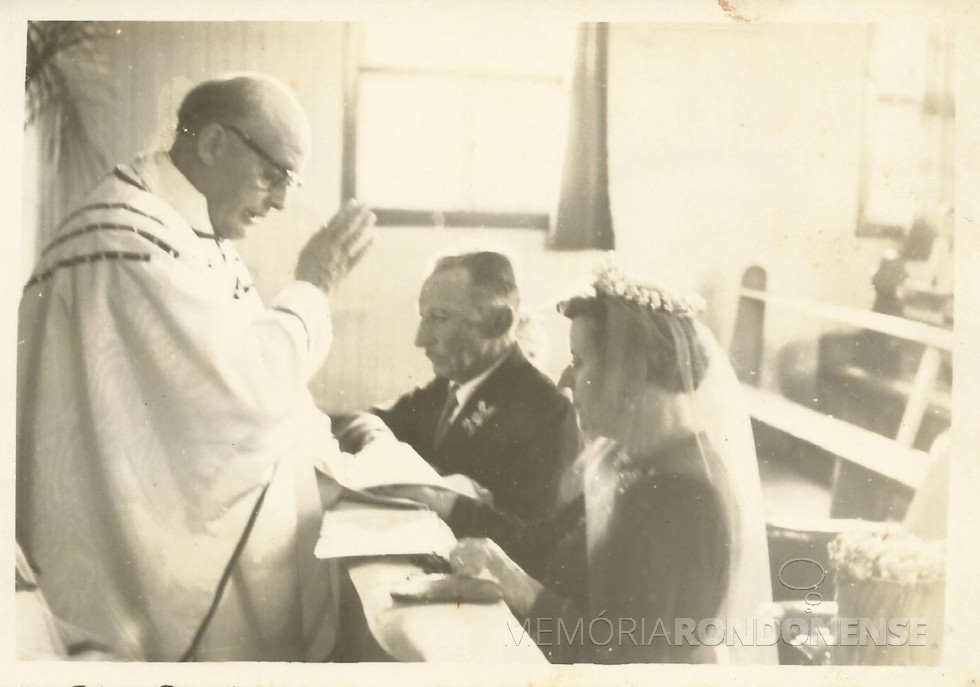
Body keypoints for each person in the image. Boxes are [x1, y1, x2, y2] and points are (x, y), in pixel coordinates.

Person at [17, 73, 375, 661]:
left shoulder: (183, 230)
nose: (282, 200)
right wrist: (313, 284)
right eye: (274, 174)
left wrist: (338, 454)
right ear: (212, 145)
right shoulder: (131, 240)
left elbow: (254, 382)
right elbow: (248, 391)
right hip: (120, 573)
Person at [444, 264, 776, 664]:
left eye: (580, 361)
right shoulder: (627, 456)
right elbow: (544, 544)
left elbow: (627, 656)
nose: (566, 379)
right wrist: (446, 503)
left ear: (629, 369)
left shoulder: (687, 496)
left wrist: (525, 591)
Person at [337, 250, 579, 537]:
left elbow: (539, 543)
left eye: (439, 318)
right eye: (423, 317)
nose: (421, 339)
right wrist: (378, 442)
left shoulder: (546, 412)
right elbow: (368, 419)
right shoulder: (448, 387)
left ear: (498, 322)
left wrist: (444, 501)